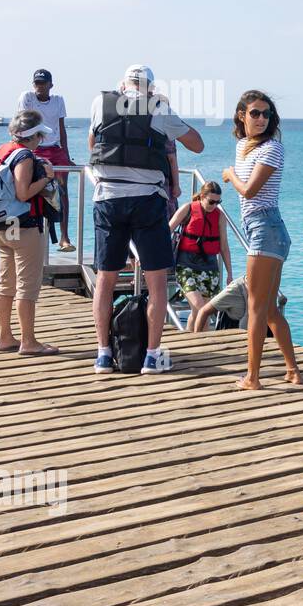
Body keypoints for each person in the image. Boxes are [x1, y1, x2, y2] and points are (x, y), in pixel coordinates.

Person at [88, 64, 204, 374]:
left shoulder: (100, 103)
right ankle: (152, 357)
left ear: (123, 83)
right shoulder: (159, 107)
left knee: (105, 279)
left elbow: (92, 144)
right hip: (147, 201)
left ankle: (103, 355)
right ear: (150, 87)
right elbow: (197, 144)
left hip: (108, 199)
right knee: (156, 281)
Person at [221, 90, 300, 389]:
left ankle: (252, 377)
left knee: (255, 306)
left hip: (267, 228)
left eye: (266, 114)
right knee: (267, 309)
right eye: (255, 113)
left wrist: (229, 175)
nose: (262, 119)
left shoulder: (272, 149)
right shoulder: (243, 145)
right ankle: (292, 370)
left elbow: (251, 191)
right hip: (261, 229)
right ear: (242, 114)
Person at [0, 111, 61, 356]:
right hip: (25, 225)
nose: (41, 140)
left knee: (6, 284)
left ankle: (5, 337)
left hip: (2, 225)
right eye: (40, 135)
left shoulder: (1, 152)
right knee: (27, 286)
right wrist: (47, 178)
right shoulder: (25, 156)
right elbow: (23, 193)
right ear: (33, 136)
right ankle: (28, 342)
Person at [19, 68, 75, 252]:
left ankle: (64, 237)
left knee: (62, 191)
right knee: (34, 191)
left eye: (43, 83)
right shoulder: (27, 97)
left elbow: (62, 128)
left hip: (55, 148)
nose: (39, 87)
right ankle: (34, 239)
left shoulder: (58, 100)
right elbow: (22, 124)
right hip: (35, 148)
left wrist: (66, 155)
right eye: (37, 83)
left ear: (51, 84)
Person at [168, 180, 233, 331]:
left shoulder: (219, 216)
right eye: (211, 201)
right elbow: (167, 231)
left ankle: (193, 342)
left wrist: (229, 273)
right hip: (186, 265)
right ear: (202, 197)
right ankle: (202, 343)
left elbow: (224, 246)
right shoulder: (188, 208)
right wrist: (149, 255)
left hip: (210, 268)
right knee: (201, 308)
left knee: (199, 312)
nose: (214, 205)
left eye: (218, 202)